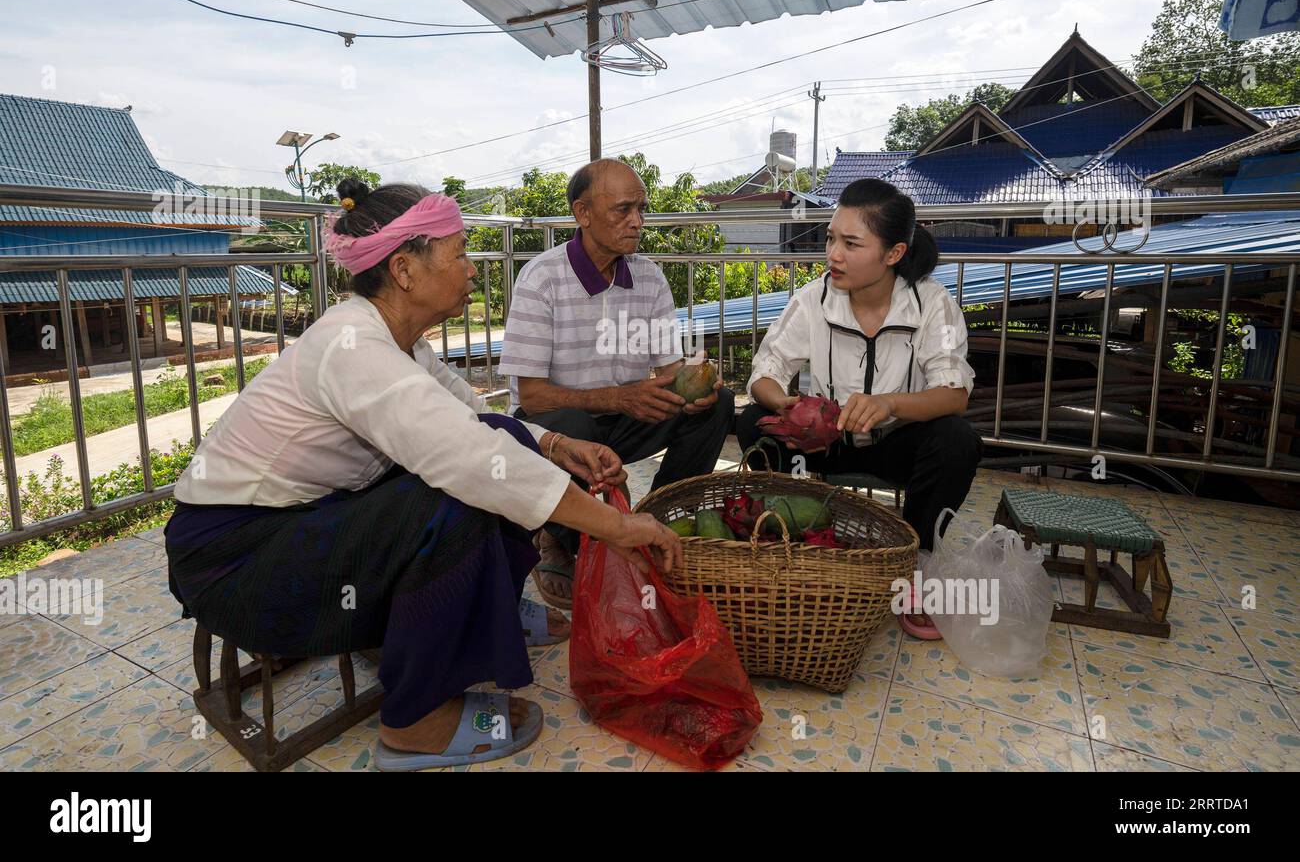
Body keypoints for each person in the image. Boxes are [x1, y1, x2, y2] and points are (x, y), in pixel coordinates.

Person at [163, 178, 681, 770]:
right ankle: (416, 721)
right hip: (236, 561)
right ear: (405, 269)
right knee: (458, 497)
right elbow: (465, 457)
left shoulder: (397, 341)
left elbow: (474, 416)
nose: (471, 270)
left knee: (506, 439)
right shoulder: (354, 347)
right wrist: (618, 526)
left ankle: (495, 607)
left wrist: (555, 442)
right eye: (459, 254)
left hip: (300, 522)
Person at [735, 178, 983, 640]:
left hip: (895, 444)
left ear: (893, 253)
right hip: (825, 445)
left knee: (956, 440)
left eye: (851, 243)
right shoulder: (814, 298)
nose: (833, 254)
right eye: (831, 238)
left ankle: (917, 564)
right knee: (753, 421)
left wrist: (889, 403)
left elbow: (953, 392)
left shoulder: (933, 304)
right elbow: (765, 370)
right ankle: (788, 542)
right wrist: (784, 402)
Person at [499, 158, 733, 610]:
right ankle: (563, 538)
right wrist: (618, 397)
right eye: (623, 209)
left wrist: (694, 391)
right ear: (582, 213)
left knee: (720, 404)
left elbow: (668, 371)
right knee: (571, 423)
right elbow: (530, 397)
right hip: (557, 429)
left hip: (626, 419)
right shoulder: (542, 278)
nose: (637, 222)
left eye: (641, 209)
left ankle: (658, 518)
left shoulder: (647, 277)